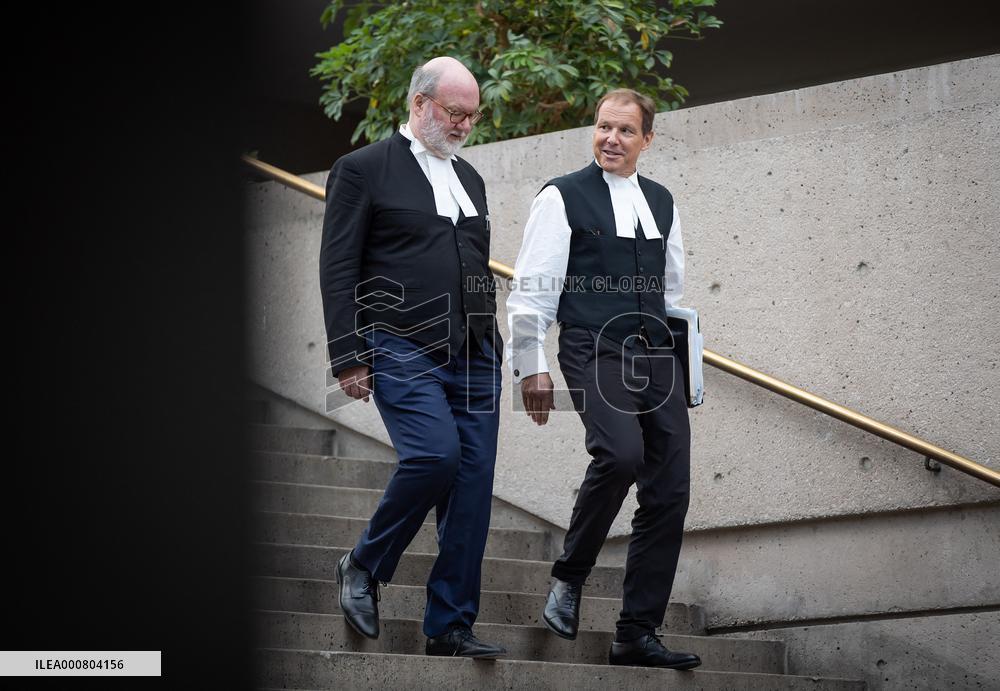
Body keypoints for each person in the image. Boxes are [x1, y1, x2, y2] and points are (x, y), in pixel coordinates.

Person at [506, 88, 701, 670]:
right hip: (594, 346)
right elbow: (534, 286)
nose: (610, 139)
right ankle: (569, 577)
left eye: (624, 131)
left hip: (655, 356)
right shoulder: (561, 196)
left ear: (647, 139)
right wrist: (530, 364)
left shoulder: (662, 201)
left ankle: (636, 632)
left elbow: (671, 289)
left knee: (669, 491)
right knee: (618, 456)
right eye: (602, 128)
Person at [319, 56, 506, 659]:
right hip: (398, 341)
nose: (463, 126)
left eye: (471, 117)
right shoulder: (362, 170)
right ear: (420, 104)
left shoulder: (471, 179)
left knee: (473, 486)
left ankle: (449, 626)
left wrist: (494, 341)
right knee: (433, 457)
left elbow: (474, 262)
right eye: (455, 113)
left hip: (474, 352)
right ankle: (364, 564)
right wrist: (347, 353)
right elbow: (339, 266)